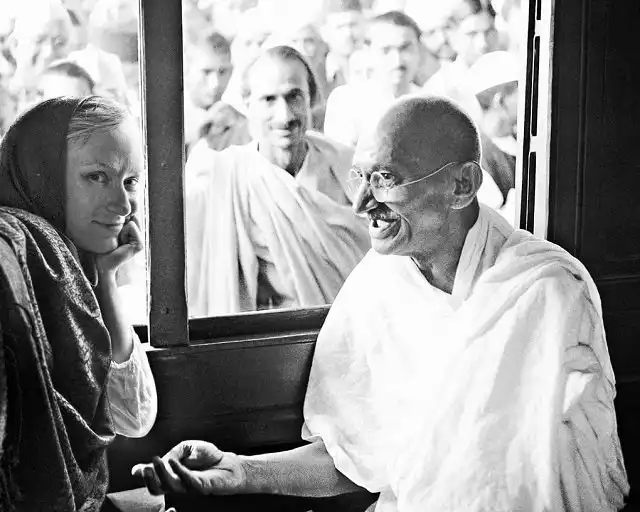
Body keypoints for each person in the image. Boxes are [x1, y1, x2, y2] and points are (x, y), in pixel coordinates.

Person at [133, 96, 628, 511]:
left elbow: (549, 480)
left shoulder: (546, 290)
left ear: (462, 186)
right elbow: (356, 456)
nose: (360, 205)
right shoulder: (380, 279)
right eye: (360, 177)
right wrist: (240, 470)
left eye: (386, 179)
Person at [0, 96, 157, 510]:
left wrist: (107, 278)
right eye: (97, 176)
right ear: (43, 175)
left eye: (130, 181)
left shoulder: (68, 264)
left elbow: (134, 415)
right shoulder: (27, 256)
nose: (124, 205)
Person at [185, 45, 370, 316]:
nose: (285, 116)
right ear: (247, 104)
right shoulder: (226, 179)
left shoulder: (348, 168)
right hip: (276, 336)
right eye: (269, 100)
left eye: (294, 96)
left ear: (312, 98)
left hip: (357, 329)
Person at [184, 31, 235, 151]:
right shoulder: (168, 116)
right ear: (186, 68)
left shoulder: (237, 121)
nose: (215, 84)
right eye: (206, 72)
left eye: (223, 72)